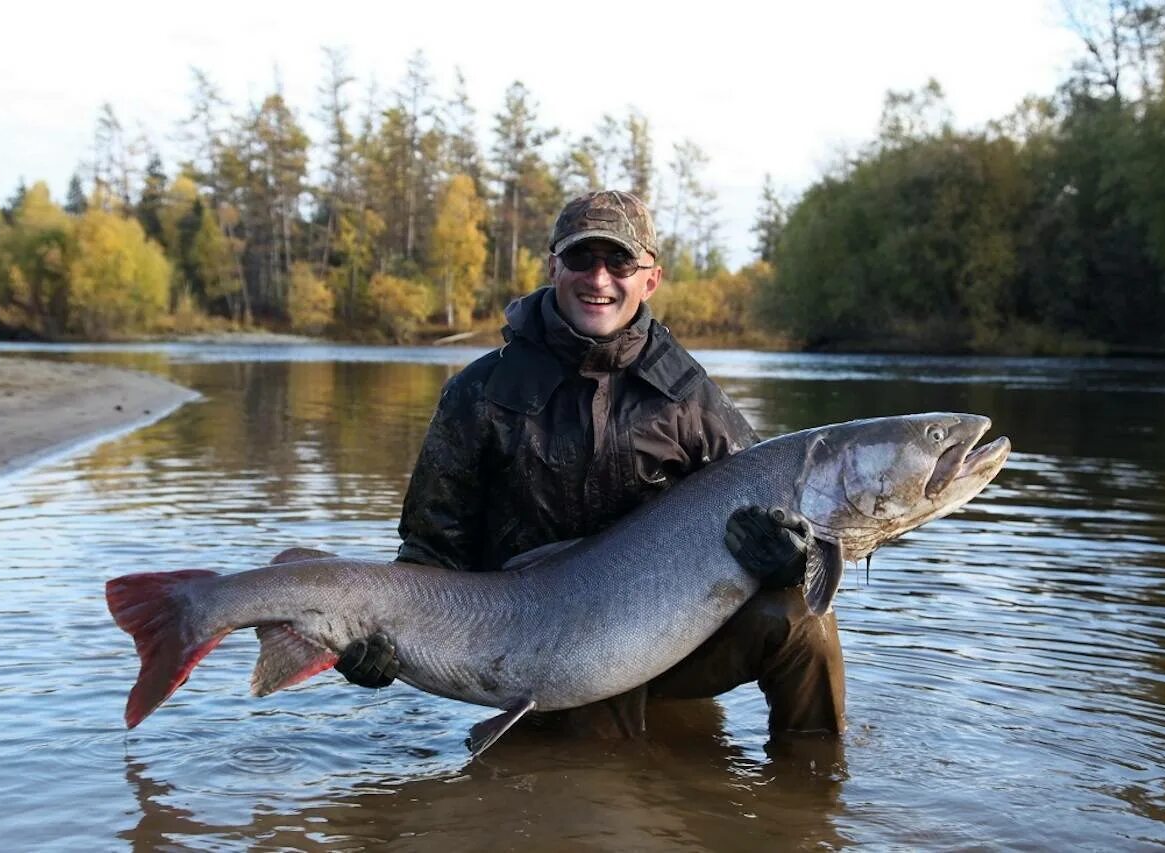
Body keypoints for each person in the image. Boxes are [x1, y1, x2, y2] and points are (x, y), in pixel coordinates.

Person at [335, 190, 846, 738]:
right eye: (582, 259)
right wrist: (376, 638)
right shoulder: (480, 393)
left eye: (620, 261)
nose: (599, 279)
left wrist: (793, 560)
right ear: (554, 266)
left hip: (669, 645)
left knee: (803, 620)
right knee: (578, 794)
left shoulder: (689, 398)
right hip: (531, 652)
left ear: (650, 279)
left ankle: (811, 794)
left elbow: (770, 508)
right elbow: (429, 550)